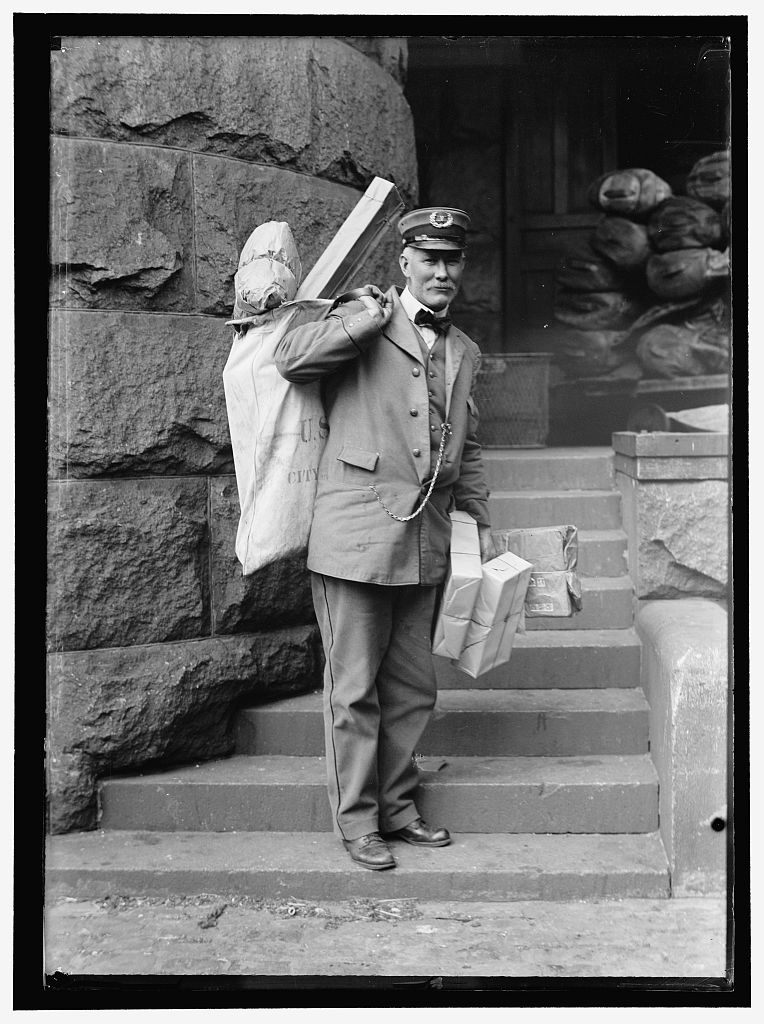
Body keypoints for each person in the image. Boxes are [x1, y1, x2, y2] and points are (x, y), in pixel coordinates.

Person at [275, 207, 495, 870]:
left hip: (423, 541)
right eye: (429, 258)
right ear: (404, 262)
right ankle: (358, 822)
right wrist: (358, 320)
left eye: (452, 260)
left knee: (412, 689)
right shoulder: (364, 316)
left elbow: (469, 445)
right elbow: (290, 359)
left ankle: (398, 809)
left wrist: (481, 524)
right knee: (354, 689)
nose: (441, 271)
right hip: (355, 537)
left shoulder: (464, 351)